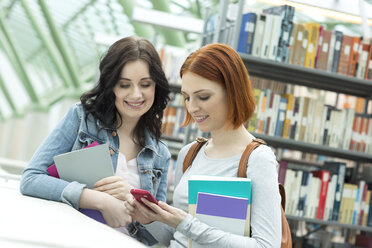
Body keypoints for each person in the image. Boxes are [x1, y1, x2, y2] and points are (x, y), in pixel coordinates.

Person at [20, 36, 171, 244]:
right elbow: (31, 179)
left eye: (145, 84)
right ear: (112, 86)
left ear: (156, 86)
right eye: (124, 85)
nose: (136, 95)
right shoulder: (83, 119)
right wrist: (101, 201)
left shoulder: (160, 153)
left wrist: (136, 203)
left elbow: (161, 234)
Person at [129, 43, 282, 247]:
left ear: (232, 91)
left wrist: (186, 223)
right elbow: (177, 235)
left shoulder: (258, 159)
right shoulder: (190, 153)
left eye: (203, 97)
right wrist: (149, 220)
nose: (192, 107)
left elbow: (266, 245)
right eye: (186, 97)